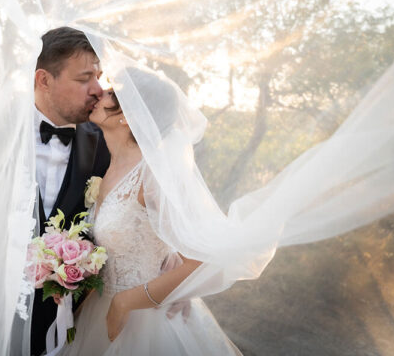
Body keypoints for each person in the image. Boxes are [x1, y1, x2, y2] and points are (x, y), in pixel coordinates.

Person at [60, 67, 241, 355]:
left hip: (143, 322)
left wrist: (125, 302)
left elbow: (200, 261)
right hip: (96, 311)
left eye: (110, 92)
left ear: (128, 113)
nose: (98, 93)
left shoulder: (153, 176)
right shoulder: (107, 166)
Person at [28, 26, 112, 356]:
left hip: (68, 324)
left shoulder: (109, 140)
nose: (97, 90)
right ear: (44, 80)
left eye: (100, 77)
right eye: (84, 79)